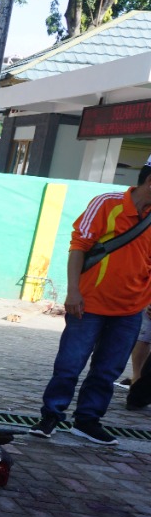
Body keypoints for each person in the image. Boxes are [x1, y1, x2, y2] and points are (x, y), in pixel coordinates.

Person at [32, 160, 151, 443]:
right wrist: (73, 291)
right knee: (69, 364)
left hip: (131, 310)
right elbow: (78, 247)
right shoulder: (106, 204)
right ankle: (50, 415)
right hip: (88, 304)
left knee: (108, 370)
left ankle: (87, 421)